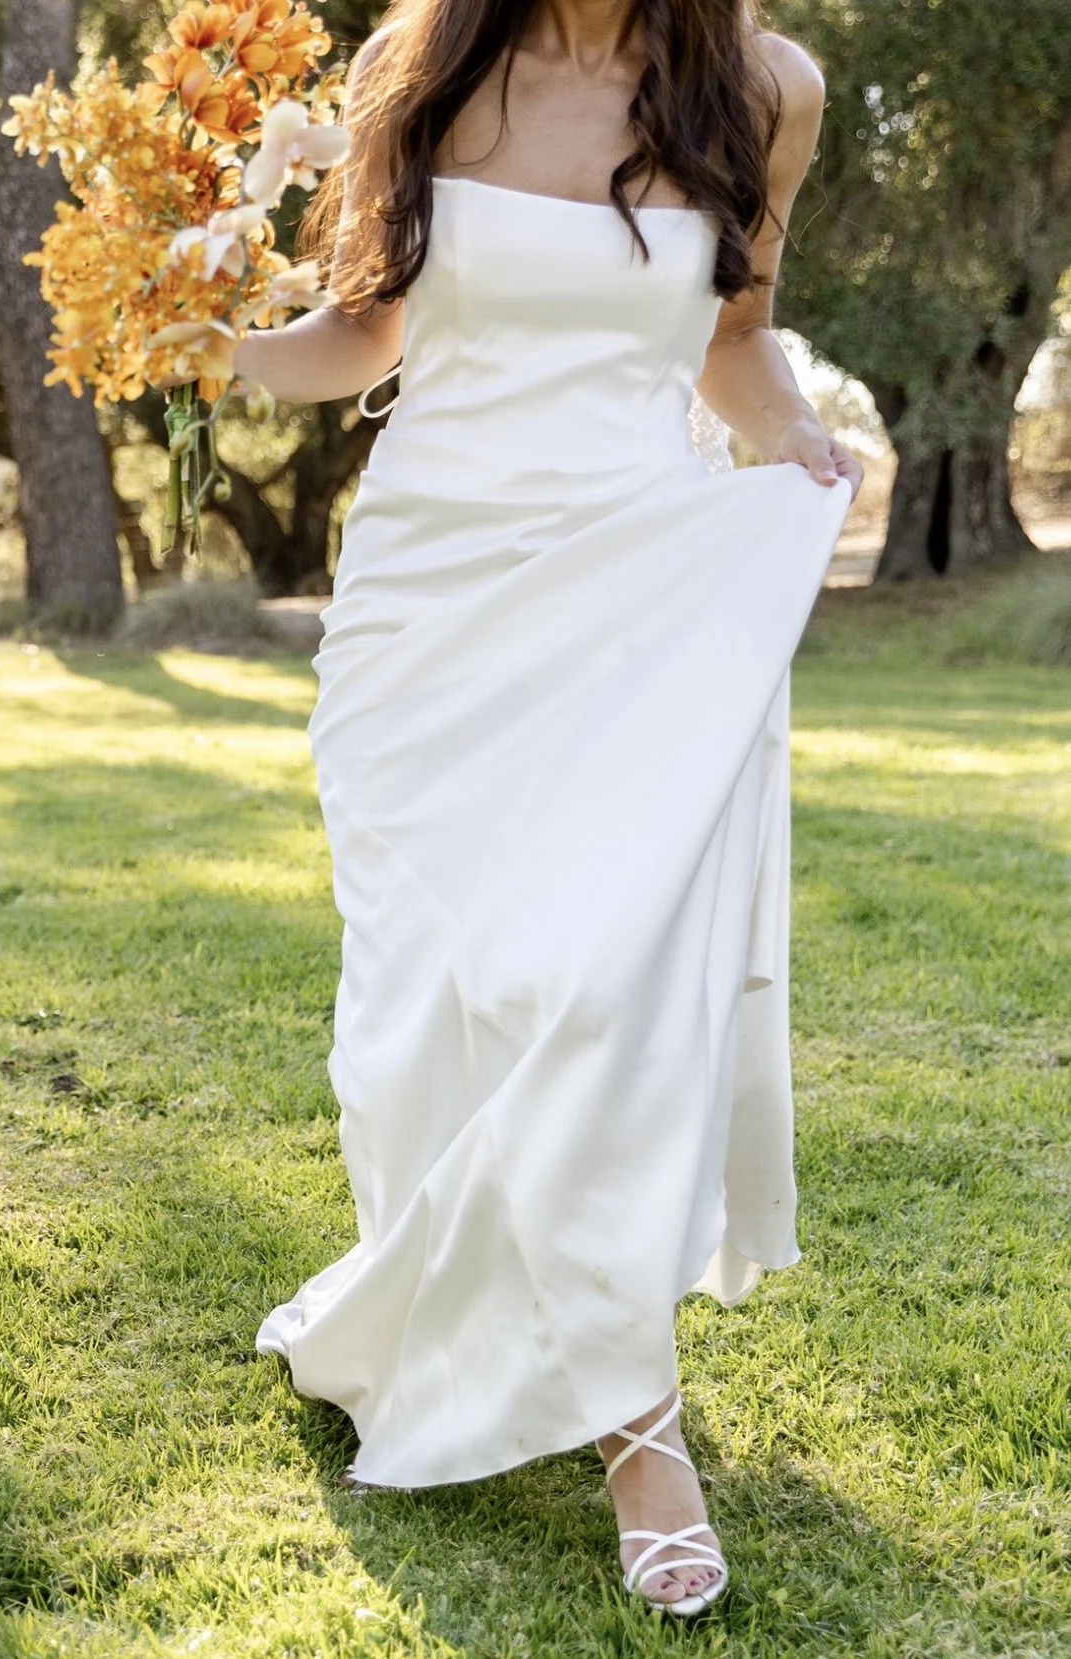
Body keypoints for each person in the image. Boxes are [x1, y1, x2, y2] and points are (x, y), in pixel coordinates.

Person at [234, 0, 858, 1616]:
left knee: (590, 990)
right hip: (428, 612)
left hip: (634, 594)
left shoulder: (768, 90)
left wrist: (795, 442)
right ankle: (440, 1322)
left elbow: (732, 341)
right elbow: (364, 335)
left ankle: (641, 1432)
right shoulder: (423, 69)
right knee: (421, 1010)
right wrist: (204, 347)